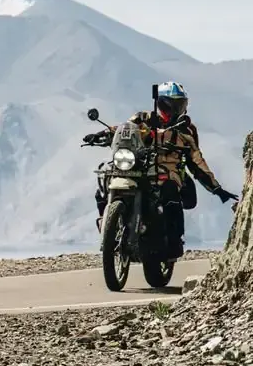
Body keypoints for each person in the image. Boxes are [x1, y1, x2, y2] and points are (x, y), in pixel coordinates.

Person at [84, 81, 235, 258]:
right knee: (103, 182)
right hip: (139, 166)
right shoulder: (143, 118)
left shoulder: (186, 128)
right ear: (161, 103)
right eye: (172, 103)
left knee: (170, 191)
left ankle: (174, 241)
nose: (176, 108)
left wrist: (216, 188)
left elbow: (196, 160)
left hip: (168, 172)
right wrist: (101, 135)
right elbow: (123, 130)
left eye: (180, 104)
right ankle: (108, 226)